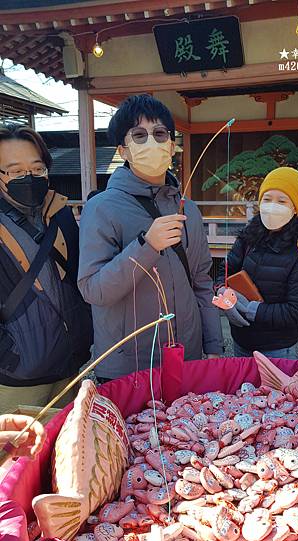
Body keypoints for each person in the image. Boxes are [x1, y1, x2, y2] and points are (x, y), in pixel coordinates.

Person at [78, 94, 223, 382]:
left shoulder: (188, 210)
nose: (152, 143)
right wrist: (147, 246)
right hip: (128, 364)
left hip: (186, 355)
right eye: (139, 135)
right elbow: (93, 290)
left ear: (171, 145)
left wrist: (213, 345)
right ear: (123, 149)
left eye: (160, 134)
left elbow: (202, 283)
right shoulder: (101, 207)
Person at [0, 124, 92, 408]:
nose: (28, 177)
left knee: (68, 449)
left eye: (37, 168)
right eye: (15, 171)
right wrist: (10, 357)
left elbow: (79, 277)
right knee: (19, 452)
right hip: (17, 378)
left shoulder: (60, 213)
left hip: (70, 366)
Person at [219, 166, 298, 359]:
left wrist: (253, 310)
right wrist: (222, 294)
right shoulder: (248, 237)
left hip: (278, 349)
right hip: (241, 341)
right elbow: (222, 270)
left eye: (282, 201)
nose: (272, 206)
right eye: (267, 199)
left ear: (295, 207)